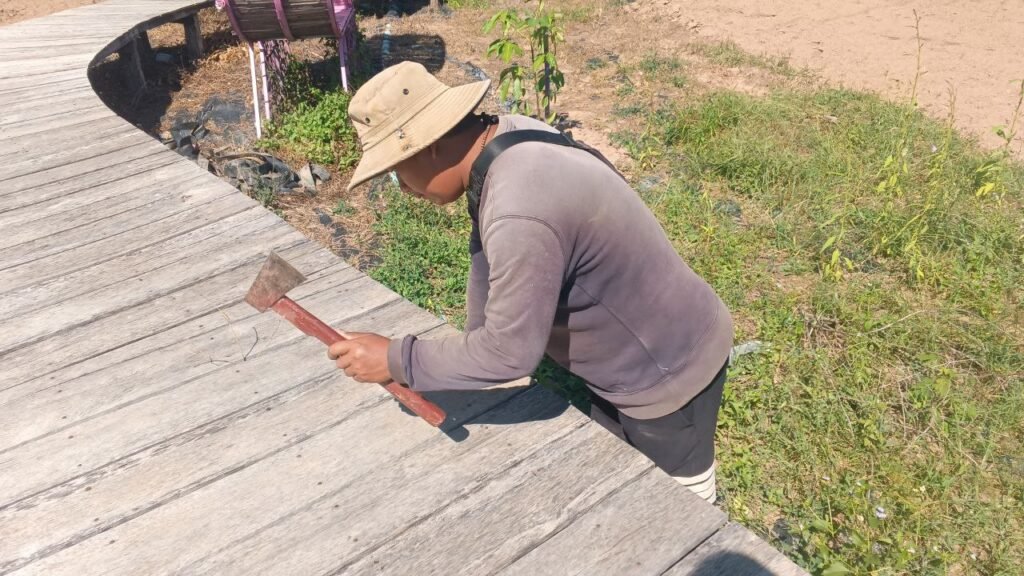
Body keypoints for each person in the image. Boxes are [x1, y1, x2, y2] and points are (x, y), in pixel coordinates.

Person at [328, 61, 733, 503]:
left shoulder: (519, 209)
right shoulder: (508, 137)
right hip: (645, 338)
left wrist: (397, 358)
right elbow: (488, 255)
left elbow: (510, 354)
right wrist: (472, 342)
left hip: (669, 372)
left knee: (675, 503)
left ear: (431, 147)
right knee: (615, 474)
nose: (403, 188)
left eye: (396, 171)